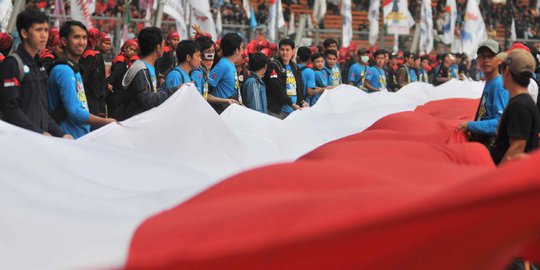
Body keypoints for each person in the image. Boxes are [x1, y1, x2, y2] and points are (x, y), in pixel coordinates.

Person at [0, 9, 69, 138]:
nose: (44, 35)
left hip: (37, 143)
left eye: (46, 30)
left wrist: (62, 134)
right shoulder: (12, 64)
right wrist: (39, 133)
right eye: (38, 30)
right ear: (24, 33)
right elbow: (10, 109)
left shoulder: (39, 65)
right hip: (19, 142)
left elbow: (42, 111)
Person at [48, 20, 115, 139]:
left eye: (84, 37)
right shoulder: (64, 70)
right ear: (64, 41)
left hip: (77, 137)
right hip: (66, 138)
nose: (82, 42)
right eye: (76, 37)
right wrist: (105, 121)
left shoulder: (74, 68)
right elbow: (75, 112)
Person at [490, 49, 540, 165]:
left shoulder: (520, 105)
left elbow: (516, 150)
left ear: (506, 70)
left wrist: (495, 177)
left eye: (500, 68)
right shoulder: (522, 102)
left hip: (507, 178)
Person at [119, 27, 179, 121]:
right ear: (158, 47)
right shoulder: (140, 70)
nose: (164, 47)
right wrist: (174, 90)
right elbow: (147, 100)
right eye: (163, 44)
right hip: (136, 125)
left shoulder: (151, 68)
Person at [457, 40, 508, 146]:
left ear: (499, 60)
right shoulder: (490, 82)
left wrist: (471, 126)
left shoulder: (499, 85)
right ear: (477, 60)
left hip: (491, 146)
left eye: (490, 56)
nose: (486, 60)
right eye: (482, 56)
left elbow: (501, 123)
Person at [263, 38, 307, 119]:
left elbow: (299, 87)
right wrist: (291, 103)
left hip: (293, 111)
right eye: (282, 50)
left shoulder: (294, 66)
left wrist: (302, 101)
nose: (284, 53)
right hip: (278, 111)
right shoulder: (274, 66)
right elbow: (277, 88)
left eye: (287, 50)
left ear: (293, 51)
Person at [208, 33, 244, 113]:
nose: (243, 50)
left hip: (230, 110)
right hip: (222, 111)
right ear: (236, 50)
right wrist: (224, 100)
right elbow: (205, 90)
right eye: (241, 47)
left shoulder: (230, 64)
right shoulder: (223, 65)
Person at [106, 39, 138, 118]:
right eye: (131, 49)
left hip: (121, 94)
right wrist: (109, 83)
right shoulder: (121, 59)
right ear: (125, 48)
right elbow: (115, 74)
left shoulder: (127, 60)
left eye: (134, 50)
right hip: (116, 93)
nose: (132, 52)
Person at [79, 28, 107, 117]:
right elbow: (85, 75)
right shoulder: (90, 54)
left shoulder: (86, 51)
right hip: (90, 93)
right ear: (97, 40)